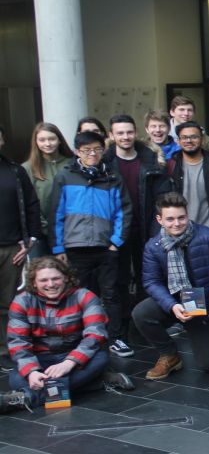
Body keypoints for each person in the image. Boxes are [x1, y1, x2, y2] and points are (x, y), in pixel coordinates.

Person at [0, 257, 134, 413]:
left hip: (76, 358)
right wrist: (31, 372)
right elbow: (18, 341)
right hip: (40, 358)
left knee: (100, 358)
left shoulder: (85, 296)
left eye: (55, 278)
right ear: (34, 283)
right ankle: (96, 382)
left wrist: (69, 363)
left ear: (66, 278)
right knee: (16, 380)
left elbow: (95, 334)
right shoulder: (22, 301)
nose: (51, 284)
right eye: (44, 280)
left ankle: (25, 398)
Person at [49, 131, 133, 357]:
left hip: (106, 247)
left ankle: (116, 338)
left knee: (111, 294)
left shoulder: (112, 177)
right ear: (77, 152)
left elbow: (124, 212)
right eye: (86, 150)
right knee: (79, 294)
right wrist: (58, 248)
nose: (92, 154)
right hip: (75, 248)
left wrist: (116, 242)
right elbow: (55, 214)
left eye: (97, 149)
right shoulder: (65, 176)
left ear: (103, 150)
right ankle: (85, 339)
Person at [132, 192, 209, 380]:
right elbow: (151, 282)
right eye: (170, 219)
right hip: (176, 303)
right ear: (160, 220)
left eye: (181, 218)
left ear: (187, 215)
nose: (176, 223)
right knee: (141, 313)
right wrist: (172, 305)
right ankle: (169, 355)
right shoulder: (153, 246)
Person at [103, 114, 168, 342]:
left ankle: (143, 325)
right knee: (118, 280)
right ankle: (121, 329)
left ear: (136, 132)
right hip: (116, 231)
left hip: (146, 227)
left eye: (129, 132)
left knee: (147, 278)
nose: (125, 136)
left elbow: (162, 197)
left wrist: (157, 230)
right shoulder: (104, 162)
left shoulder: (150, 158)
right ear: (111, 135)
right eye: (120, 133)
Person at [0, 125, 42, 373]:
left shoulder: (15, 170)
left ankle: (5, 351)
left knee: (7, 305)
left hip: (11, 248)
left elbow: (32, 204)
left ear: (2, 140)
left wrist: (30, 239)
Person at [166, 121, 209, 238]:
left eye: (194, 137)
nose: (189, 140)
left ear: (202, 139)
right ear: (178, 141)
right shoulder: (171, 165)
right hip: (180, 232)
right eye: (184, 137)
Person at [22, 122, 75, 257]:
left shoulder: (72, 163)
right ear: (36, 142)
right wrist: (44, 227)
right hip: (40, 233)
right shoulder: (27, 168)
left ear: (59, 140)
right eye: (42, 140)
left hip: (70, 231)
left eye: (51, 139)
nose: (47, 143)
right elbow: (27, 201)